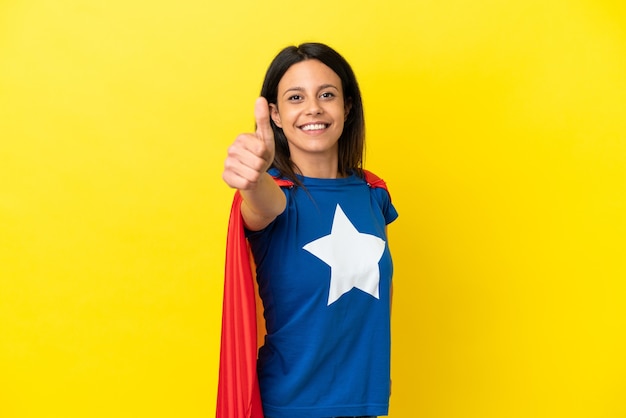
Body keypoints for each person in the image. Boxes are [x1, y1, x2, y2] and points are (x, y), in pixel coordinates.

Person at [219, 42, 398, 418]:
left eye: (327, 95)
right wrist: (251, 176)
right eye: (295, 97)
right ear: (276, 115)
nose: (313, 108)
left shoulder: (373, 194)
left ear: (347, 107)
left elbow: (380, 290)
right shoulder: (277, 196)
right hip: (291, 404)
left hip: (363, 402)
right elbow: (260, 201)